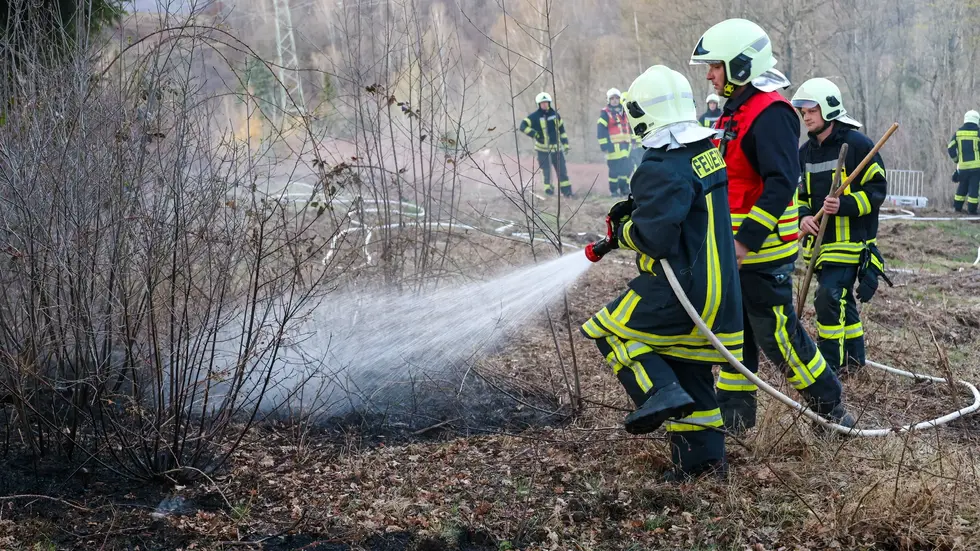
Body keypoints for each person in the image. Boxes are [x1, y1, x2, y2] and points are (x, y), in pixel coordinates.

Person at [689, 18, 854, 433]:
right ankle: (735, 419)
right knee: (734, 336)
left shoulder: (771, 113)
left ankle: (832, 410)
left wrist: (744, 242)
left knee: (777, 337)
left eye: (715, 66)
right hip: (732, 251)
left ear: (741, 65)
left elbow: (781, 183)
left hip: (760, 252)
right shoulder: (735, 112)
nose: (709, 75)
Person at [581, 65, 743, 480]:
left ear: (641, 114)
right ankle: (703, 467)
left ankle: (657, 392)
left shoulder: (659, 165)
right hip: (720, 290)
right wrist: (638, 210)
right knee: (690, 371)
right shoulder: (706, 152)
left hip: (680, 289)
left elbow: (655, 239)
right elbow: (681, 209)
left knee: (609, 330)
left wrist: (624, 231)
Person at [793, 78, 888, 375]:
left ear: (829, 110)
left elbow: (877, 191)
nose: (806, 117)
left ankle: (829, 366)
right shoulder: (805, 153)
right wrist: (804, 216)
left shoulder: (858, 146)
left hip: (850, 244)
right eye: (803, 112)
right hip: (819, 247)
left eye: (812, 111)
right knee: (842, 301)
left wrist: (843, 205)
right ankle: (855, 363)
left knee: (828, 298)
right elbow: (800, 196)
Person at [520, 92, 573, 197]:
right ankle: (549, 193)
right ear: (539, 104)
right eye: (542, 103)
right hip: (543, 151)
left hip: (557, 150)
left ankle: (567, 193)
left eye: (546, 102)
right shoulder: (534, 117)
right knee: (546, 173)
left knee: (562, 172)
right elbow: (523, 126)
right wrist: (535, 134)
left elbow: (562, 131)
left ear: (549, 103)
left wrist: (565, 144)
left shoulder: (555, 115)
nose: (544, 104)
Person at [597, 88, 634, 196]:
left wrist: (634, 140)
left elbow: (630, 127)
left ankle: (624, 189)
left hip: (626, 146)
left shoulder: (625, 111)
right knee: (614, 171)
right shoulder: (605, 113)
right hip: (613, 147)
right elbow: (601, 129)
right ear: (608, 100)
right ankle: (613, 191)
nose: (615, 100)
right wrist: (604, 144)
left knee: (626, 169)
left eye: (617, 98)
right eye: (612, 98)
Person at [948, 110, 980, 214]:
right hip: (976, 168)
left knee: (962, 187)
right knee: (974, 189)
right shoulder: (978, 133)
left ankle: (957, 208)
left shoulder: (958, 133)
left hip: (963, 167)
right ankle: (972, 210)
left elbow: (950, 147)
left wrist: (956, 160)